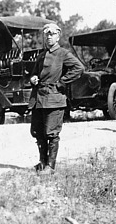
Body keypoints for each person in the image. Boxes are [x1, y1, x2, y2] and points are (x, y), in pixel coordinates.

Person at [29, 23, 84, 173]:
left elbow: (79, 68)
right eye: (46, 34)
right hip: (39, 99)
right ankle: (42, 162)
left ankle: (50, 166)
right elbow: (34, 74)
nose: (49, 36)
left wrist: (62, 82)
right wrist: (33, 78)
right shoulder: (41, 56)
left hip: (54, 98)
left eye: (52, 34)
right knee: (38, 132)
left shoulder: (63, 54)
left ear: (58, 36)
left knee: (51, 133)